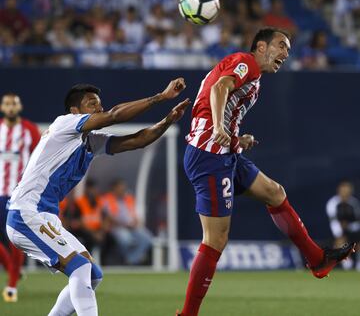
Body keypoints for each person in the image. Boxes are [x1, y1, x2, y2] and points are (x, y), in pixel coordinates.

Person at [176, 27, 355, 316]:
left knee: (275, 193)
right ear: (261, 47)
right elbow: (221, 87)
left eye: (288, 48)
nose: (286, 53)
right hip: (208, 156)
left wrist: (236, 138)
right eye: (281, 46)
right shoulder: (244, 62)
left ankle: (317, 260)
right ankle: (187, 314)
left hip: (226, 152)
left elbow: (217, 101)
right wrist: (221, 128)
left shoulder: (254, 78)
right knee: (215, 240)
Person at [5, 79, 189, 316]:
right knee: (80, 267)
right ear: (75, 111)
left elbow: (138, 140)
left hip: (44, 217)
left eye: (100, 104)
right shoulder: (65, 124)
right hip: (25, 213)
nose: (99, 108)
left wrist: (167, 121)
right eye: (92, 104)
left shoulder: (90, 142)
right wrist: (160, 98)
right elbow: (114, 115)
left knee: (92, 275)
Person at [0, 92, 41, 302]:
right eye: (7, 103)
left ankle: (12, 286)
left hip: (18, 194)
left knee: (14, 240)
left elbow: (41, 157)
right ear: (2, 107)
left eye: (14, 103)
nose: (10, 107)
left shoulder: (29, 130)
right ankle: (13, 272)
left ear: (20, 106)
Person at [102, 178, 153, 265]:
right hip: (116, 227)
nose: (123, 190)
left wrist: (136, 221)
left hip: (131, 227)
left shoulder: (129, 198)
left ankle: (131, 260)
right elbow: (108, 216)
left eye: (123, 188)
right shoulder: (106, 199)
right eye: (120, 188)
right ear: (114, 188)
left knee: (147, 238)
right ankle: (127, 260)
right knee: (126, 240)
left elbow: (135, 214)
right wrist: (124, 224)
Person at [326, 181, 360, 270]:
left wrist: (349, 226)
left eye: (347, 190)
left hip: (353, 231)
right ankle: (347, 266)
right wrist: (339, 234)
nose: (345, 193)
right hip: (335, 233)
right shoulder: (332, 203)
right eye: (343, 190)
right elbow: (334, 223)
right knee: (340, 241)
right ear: (339, 191)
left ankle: (358, 265)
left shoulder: (354, 203)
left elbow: (357, 222)